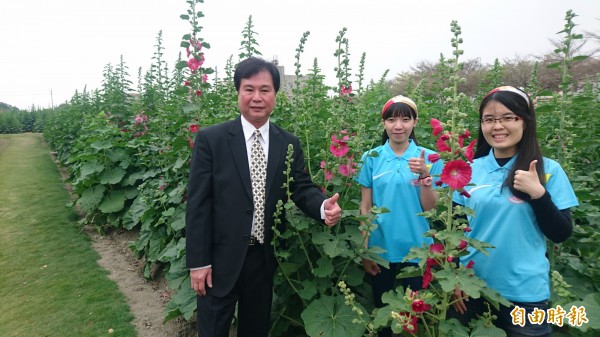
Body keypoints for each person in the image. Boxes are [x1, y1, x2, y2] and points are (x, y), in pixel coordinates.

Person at [185, 57, 342, 337]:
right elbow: (198, 204)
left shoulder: (288, 142)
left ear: (275, 96)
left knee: (255, 329)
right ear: (238, 92)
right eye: (249, 89)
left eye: (265, 90)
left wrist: (322, 207)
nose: (257, 97)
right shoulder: (213, 140)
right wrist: (199, 262)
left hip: (262, 256)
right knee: (212, 330)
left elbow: (301, 187)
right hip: (219, 258)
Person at [450, 86, 579, 337]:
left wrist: (538, 194)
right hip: (471, 288)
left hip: (525, 293)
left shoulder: (548, 170)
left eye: (508, 118)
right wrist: (456, 275)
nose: (497, 126)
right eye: (489, 119)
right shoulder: (468, 169)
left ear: (525, 121)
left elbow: (561, 233)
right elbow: (454, 229)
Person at [356, 95, 442, 337]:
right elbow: (365, 206)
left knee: (414, 321)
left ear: (415, 122)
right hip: (381, 251)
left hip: (417, 252)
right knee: (384, 317)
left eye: (405, 119)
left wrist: (426, 177)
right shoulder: (371, 158)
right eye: (392, 119)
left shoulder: (429, 157)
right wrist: (365, 250)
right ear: (383, 123)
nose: (398, 126)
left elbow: (430, 209)